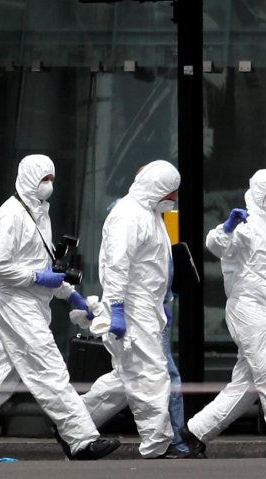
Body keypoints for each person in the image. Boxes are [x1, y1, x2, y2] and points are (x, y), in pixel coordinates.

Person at [0, 154, 119, 462]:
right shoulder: (9, 215)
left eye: (52, 179)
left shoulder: (39, 214)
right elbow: (0, 269)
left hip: (33, 304)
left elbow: (43, 264)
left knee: (0, 375)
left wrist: (70, 294)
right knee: (49, 367)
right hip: (17, 304)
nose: (49, 185)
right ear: (28, 178)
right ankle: (80, 438)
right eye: (44, 179)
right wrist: (38, 276)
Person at [180, 169, 266, 458]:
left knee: (246, 386)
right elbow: (215, 245)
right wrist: (228, 226)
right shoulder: (244, 223)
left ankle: (196, 430)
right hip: (248, 308)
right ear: (258, 193)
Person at [80, 160, 181, 459]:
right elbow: (116, 267)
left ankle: (73, 422)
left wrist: (162, 303)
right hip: (132, 308)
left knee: (127, 378)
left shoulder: (150, 214)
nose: (173, 200)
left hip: (146, 308)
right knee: (151, 375)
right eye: (170, 193)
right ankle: (157, 444)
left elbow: (154, 266)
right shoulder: (128, 215)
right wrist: (118, 309)